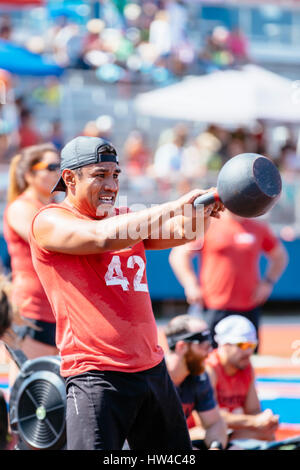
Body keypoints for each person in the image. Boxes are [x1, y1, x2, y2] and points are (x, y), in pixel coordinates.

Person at [28, 135, 224, 450]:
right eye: (100, 175)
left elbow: (185, 233)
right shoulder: (50, 220)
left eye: (115, 175)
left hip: (151, 369)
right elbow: (104, 238)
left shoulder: (123, 219)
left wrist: (204, 210)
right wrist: (174, 205)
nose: (111, 184)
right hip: (96, 375)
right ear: (69, 178)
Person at [169, 208, 288, 348]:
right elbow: (179, 255)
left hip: (248, 305)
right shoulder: (208, 225)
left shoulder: (258, 227)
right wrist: (190, 284)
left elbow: (280, 256)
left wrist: (268, 282)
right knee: (209, 356)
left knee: (245, 357)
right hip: (214, 305)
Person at [3, 143, 60, 359]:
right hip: (31, 311)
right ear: (29, 174)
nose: (59, 172)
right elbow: (49, 242)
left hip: (57, 311)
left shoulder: (55, 208)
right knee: (32, 386)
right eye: (51, 166)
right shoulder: (21, 207)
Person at [205, 315, 279, 443]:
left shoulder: (245, 367)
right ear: (225, 345)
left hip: (229, 432)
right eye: (243, 345)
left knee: (267, 434)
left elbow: (253, 410)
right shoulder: (209, 369)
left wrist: (266, 420)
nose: (249, 352)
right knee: (218, 435)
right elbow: (209, 418)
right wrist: (254, 421)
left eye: (252, 345)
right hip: (205, 432)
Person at [163, 314, 227, 450]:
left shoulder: (199, 377)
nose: (210, 351)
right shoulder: (151, 377)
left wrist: (216, 446)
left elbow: (215, 423)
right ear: (181, 347)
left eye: (210, 344)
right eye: (203, 345)